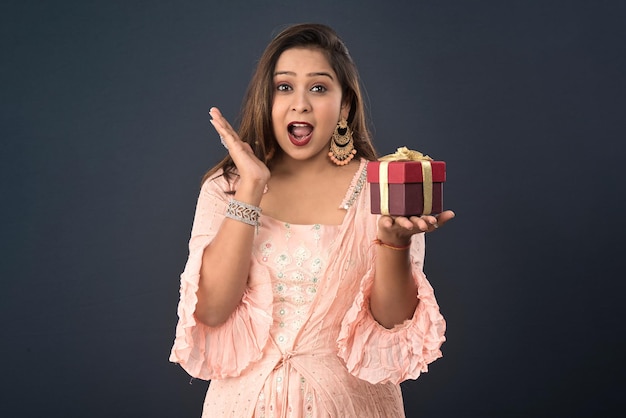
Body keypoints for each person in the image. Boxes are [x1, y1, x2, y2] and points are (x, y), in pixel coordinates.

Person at [170, 22, 455, 417]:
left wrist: (395, 243)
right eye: (284, 86)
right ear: (266, 99)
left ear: (345, 106)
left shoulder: (382, 187)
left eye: (318, 88)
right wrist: (251, 188)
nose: (300, 103)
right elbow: (213, 309)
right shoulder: (226, 187)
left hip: (351, 406)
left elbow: (390, 325)